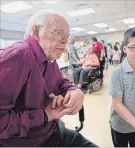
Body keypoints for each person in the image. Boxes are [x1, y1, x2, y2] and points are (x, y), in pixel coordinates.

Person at [0, 10, 97, 147]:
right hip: (33, 142)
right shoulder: (20, 55)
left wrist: (75, 91)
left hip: (53, 130)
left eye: (67, 36)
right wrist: (45, 115)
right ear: (35, 31)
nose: (64, 41)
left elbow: (60, 82)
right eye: (58, 33)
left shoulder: (49, 57)